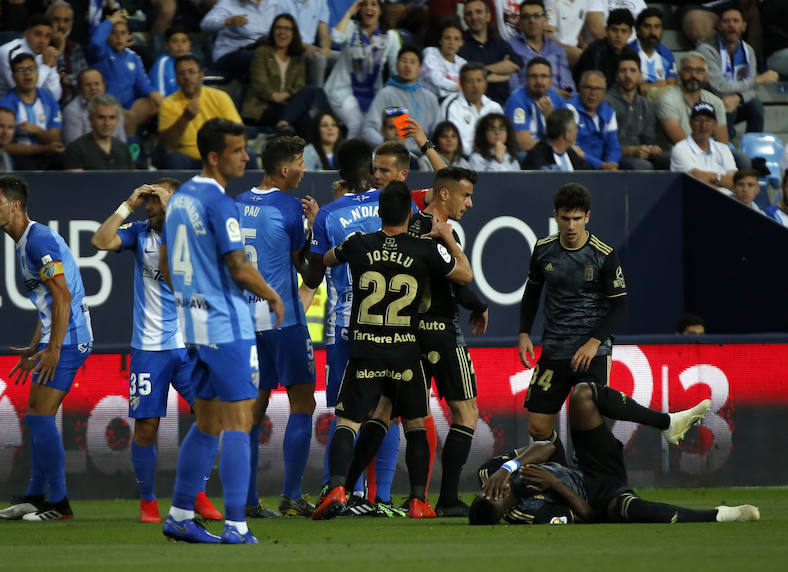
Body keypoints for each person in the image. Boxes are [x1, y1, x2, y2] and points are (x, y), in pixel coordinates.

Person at [312, 180, 474, 520]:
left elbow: (326, 259)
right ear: (409, 213)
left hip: (365, 348)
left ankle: (338, 487)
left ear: (379, 213)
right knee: (416, 424)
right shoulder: (424, 250)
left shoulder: (359, 244)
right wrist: (449, 241)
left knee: (348, 422)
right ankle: (417, 501)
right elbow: (464, 275)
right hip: (405, 351)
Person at [159, 118, 284, 544]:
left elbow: (163, 266)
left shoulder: (177, 201)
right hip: (226, 325)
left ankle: (179, 515)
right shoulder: (218, 202)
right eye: (237, 150)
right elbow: (238, 266)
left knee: (209, 420)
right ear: (215, 156)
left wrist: (191, 301)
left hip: (192, 325)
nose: (246, 156)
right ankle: (236, 524)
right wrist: (272, 295)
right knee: (238, 421)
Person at [90, 179, 223, 524]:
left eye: (154, 200)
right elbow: (100, 240)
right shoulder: (138, 233)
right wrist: (127, 204)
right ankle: (148, 503)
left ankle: (196, 493)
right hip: (149, 347)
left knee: (212, 416)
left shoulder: (193, 233)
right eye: (147, 200)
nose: (149, 205)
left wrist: (172, 204)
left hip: (190, 346)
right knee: (146, 426)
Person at [470, 382, 758, 525]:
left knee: (583, 394)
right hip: (600, 494)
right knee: (630, 509)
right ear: (505, 509)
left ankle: (668, 423)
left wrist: (507, 467)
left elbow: (545, 445)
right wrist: (555, 485)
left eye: (490, 492)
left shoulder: (492, 474)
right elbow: (587, 516)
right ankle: (718, 515)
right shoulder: (530, 513)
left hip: (589, 464)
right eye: (498, 497)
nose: (497, 490)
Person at [0, 174, 93, 522]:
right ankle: (35, 497)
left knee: (39, 417)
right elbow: (47, 299)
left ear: (15, 205)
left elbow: (62, 297)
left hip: (71, 338)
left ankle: (59, 505)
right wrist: (37, 343)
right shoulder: (27, 241)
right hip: (60, 336)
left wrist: (54, 348)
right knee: (36, 416)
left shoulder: (37, 241)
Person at [235, 136, 318, 518]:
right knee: (303, 401)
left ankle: (248, 500)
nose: (304, 168)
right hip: (283, 320)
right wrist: (314, 227)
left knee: (253, 407)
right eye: (301, 162)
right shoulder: (289, 207)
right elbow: (305, 264)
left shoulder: (236, 203)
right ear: (285, 169)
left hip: (244, 322)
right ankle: (292, 495)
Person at [517, 183, 626, 465]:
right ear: (556, 215)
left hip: (592, 353)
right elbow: (532, 293)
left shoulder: (603, 254)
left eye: (577, 218)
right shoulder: (543, 250)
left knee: (585, 428)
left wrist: (594, 343)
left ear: (587, 217)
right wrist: (524, 332)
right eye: (565, 218)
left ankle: (593, 482)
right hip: (553, 350)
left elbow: (619, 305)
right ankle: (563, 473)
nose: (570, 225)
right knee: (538, 429)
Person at [406, 167, 488, 517]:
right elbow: (460, 280)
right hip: (440, 330)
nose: (469, 203)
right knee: (466, 413)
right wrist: (479, 305)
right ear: (444, 195)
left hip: (407, 333)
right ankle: (448, 498)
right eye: (465, 195)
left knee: (410, 417)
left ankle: (411, 499)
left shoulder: (409, 226)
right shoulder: (438, 232)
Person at [696, 5, 779, 140]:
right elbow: (719, 88)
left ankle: (754, 148)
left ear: (744, 26)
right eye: (726, 21)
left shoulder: (748, 51)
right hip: (709, 104)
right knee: (727, 103)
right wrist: (756, 79)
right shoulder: (706, 49)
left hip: (734, 101)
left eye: (735, 21)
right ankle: (724, 145)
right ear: (719, 25)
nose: (731, 25)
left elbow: (753, 90)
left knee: (755, 105)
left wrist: (738, 98)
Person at [324, 0, 402, 139]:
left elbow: (396, 70)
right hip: (342, 90)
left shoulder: (391, 37)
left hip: (372, 93)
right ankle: (348, 160)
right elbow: (336, 37)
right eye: (364, 4)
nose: (369, 8)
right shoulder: (351, 27)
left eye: (373, 4)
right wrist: (349, 12)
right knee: (358, 124)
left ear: (381, 9)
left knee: (376, 128)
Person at [241, 14, 326, 137]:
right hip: (262, 107)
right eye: (278, 28)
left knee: (312, 91)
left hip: (285, 104)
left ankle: (283, 124)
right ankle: (309, 148)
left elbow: (299, 84)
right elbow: (258, 84)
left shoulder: (297, 57)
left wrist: (285, 95)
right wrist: (274, 96)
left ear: (293, 33)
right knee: (303, 117)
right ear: (272, 31)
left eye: (287, 29)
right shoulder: (262, 52)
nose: (282, 32)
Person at [158, 55, 244, 169]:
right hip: (187, 159)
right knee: (175, 159)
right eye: (181, 73)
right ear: (177, 79)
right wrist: (185, 118)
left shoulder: (220, 97)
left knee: (246, 154)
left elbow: (238, 132)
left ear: (201, 75)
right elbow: (168, 144)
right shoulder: (168, 103)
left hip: (221, 156)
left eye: (191, 72)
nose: (187, 77)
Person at [86, 11, 162, 136]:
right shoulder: (101, 54)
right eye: (114, 33)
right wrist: (111, 21)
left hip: (130, 105)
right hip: (107, 105)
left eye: (122, 33)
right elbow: (95, 42)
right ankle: (132, 148)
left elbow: (143, 85)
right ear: (108, 36)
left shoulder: (133, 57)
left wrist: (154, 94)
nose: (119, 37)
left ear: (128, 35)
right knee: (128, 119)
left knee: (154, 103)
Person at [363, 46, 441, 157]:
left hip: (425, 156)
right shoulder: (385, 94)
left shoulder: (431, 98)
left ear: (420, 68)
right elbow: (368, 129)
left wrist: (428, 150)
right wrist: (389, 146)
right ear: (396, 65)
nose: (407, 66)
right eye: (404, 61)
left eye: (412, 62)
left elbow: (438, 133)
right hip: (394, 156)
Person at [0, 53, 65, 170]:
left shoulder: (49, 99)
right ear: (13, 76)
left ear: (37, 73)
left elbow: (55, 139)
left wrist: (37, 131)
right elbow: (3, 146)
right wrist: (43, 148)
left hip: (48, 155)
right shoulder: (5, 104)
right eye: (21, 70)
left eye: (31, 69)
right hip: (20, 158)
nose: (27, 73)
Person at [604, 50, 665, 170]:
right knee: (643, 166)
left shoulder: (647, 105)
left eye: (632, 70)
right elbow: (604, 145)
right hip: (618, 157)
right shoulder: (606, 103)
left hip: (641, 154)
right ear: (616, 76)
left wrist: (653, 149)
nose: (628, 75)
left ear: (640, 76)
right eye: (623, 71)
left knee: (669, 159)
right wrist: (631, 151)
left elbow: (649, 138)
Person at [504, 57, 576, 152]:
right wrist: (551, 119)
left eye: (544, 76)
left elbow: (569, 136)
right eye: (534, 76)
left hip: (552, 150)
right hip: (528, 155)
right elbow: (524, 144)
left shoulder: (557, 99)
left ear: (551, 80)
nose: (539, 81)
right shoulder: (517, 100)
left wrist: (550, 116)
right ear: (526, 79)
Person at [457, 0, 522, 105]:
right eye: (469, 14)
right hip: (472, 105)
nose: (474, 17)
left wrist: (482, 70)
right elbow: (466, 76)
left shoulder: (499, 43)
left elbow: (516, 63)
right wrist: (503, 73)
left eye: (478, 12)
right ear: (464, 18)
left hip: (502, 105)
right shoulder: (459, 44)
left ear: (488, 16)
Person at [508, 0, 575, 97]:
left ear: (545, 19)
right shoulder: (510, 47)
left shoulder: (557, 49)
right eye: (526, 17)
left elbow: (568, 85)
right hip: (527, 102)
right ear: (520, 21)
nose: (532, 20)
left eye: (537, 16)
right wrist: (549, 94)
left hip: (558, 103)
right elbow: (513, 88)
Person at [200, 0, 280, 81]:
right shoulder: (227, 3)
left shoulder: (273, 3)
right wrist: (227, 21)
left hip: (262, 48)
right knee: (260, 57)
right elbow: (205, 25)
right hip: (231, 54)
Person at [0, 14, 62, 101]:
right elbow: (23, 92)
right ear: (26, 33)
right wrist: (46, 66)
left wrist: (52, 67)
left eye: (47, 36)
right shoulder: (10, 52)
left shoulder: (44, 55)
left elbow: (54, 97)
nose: (43, 41)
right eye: (38, 34)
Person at [670, 101, 737, 194]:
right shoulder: (680, 149)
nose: (703, 125)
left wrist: (713, 177)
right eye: (698, 120)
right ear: (691, 123)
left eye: (708, 120)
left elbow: (734, 182)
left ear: (715, 124)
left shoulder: (723, 149)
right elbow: (694, 183)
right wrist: (721, 179)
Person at [440, 63, 504, 158]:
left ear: (486, 83)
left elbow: (503, 137)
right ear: (461, 84)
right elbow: (450, 140)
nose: (475, 86)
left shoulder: (494, 107)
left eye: (479, 80)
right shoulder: (451, 106)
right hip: (461, 159)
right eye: (470, 81)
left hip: (493, 157)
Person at [63, 94, 134, 170]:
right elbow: (74, 181)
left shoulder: (123, 149)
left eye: (112, 118)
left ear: (118, 121)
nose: (107, 123)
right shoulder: (76, 150)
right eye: (101, 117)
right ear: (90, 119)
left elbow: (130, 180)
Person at [572, 8, 636, 88]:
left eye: (623, 31)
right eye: (614, 30)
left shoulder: (631, 54)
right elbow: (595, 85)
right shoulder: (595, 51)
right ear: (606, 30)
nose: (619, 36)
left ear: (630, 33)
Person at [62, 68, 127, 146]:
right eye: (88, 85)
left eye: (97, 84)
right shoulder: (72, 111)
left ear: (104, 86)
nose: (93, 88)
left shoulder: (113, 107)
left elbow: (122, 142)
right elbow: (74, 147)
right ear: (80, 89)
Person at [571, 70, 620, 170]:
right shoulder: (569, 109)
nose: (593, 93)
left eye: (598, 89)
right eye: (588, 88)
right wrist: (600, 165)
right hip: (578, 165)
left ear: (604, 92)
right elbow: (572, 149)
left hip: (603, 167)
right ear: (579, 88)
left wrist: (611, 163)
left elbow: (613, 146)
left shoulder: (609, 112)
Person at [627, 7, 677, 94]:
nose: (652, 32)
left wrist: (646, 87)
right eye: (647, 26)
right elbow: (631, 88)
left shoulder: (666, 54)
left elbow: (672, 84)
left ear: (662, 31)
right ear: (638, 30)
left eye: (657, 27)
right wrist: (662, 83)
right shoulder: (628, 52)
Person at [521, 108, 590, 170]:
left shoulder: (571, 154)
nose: (577, 131)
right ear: (566, 135)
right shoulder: (537, 156)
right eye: (575, 128)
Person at [46, 0, 87, 106]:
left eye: (66, 20)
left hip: (74, 104)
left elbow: (83, 81)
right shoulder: (40, 45)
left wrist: (64, 78)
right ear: (48, 21)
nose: (61, 25)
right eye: (56, 20)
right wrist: (60, 47)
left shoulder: (75, 47)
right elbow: (49, 82)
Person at [421, 19, 467, 100]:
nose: (451, 42)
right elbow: (437, 80)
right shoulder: (430, 53)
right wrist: (460, 88)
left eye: (456, 39)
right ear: (440, 40)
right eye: (447, 38)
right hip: (427, 101)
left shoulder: (463, 63)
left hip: (454, 104)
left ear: (461, 43)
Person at [148, 26, 192, 98]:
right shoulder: (162, 64)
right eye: (175, 41)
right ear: (166, 45)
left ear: (189, 45)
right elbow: (160, 97)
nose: (180, 45)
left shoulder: (194, 62)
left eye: (184, 41)